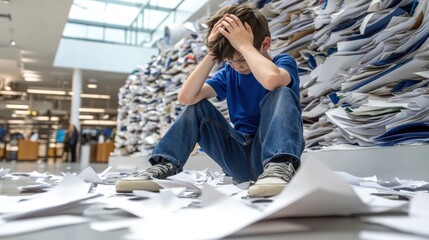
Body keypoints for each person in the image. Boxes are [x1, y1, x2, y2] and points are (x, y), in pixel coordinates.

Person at [116, 3, 304, 197]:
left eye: (242, 59)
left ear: (264, 44)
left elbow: (271, 81)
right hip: (238, 156)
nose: (237, 66)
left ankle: (280, 166)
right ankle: (163, 166)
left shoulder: (282, 63)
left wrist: (244, 45)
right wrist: (212, 53)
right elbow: (186, 97)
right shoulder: (229, 73)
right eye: (230, 61)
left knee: (281, 92)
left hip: (270, 154)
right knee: (196, 107)